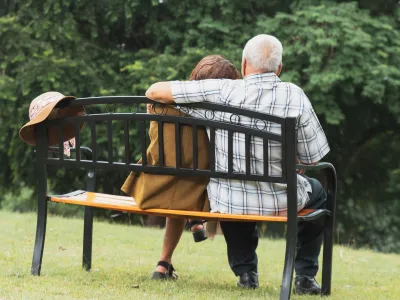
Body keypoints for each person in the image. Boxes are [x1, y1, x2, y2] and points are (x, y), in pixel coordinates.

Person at [145, 34, 330, 295]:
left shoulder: (221, 90)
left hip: (229, 200)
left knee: (235, 192)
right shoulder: (295, 95)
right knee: (319, 191)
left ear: (244, 65)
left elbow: (153, 91)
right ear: (279, 68)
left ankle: (245, 272)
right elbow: (313, 159)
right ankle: (305, 276)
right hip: (280, 199)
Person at [121, 55, 240, 279]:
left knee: (178, 177)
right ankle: (193, 222)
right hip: (193, 194)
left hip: (152, 188)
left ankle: (163, 264)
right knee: (188, 179)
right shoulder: (217, 114)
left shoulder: (160, 106)